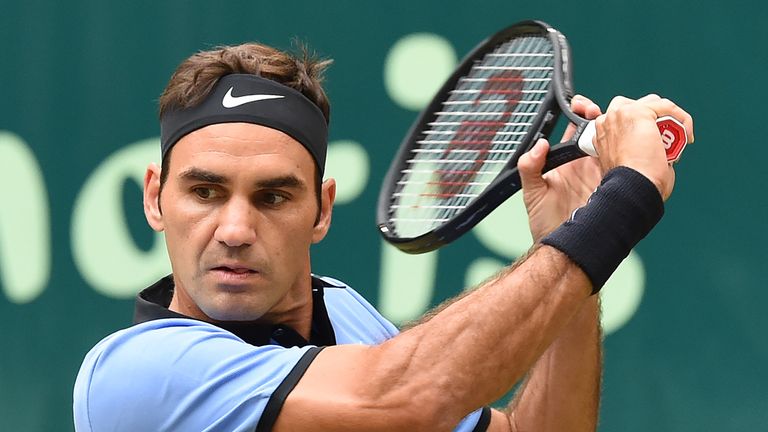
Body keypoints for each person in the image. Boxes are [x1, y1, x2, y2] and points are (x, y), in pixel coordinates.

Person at [73, 42, 694, 432]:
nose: (234, 230)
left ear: (321, 209)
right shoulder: (133, 375)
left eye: (274, 196)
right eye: (204, 192)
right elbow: (406, 397)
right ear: (155, 198)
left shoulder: (341, 314)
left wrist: (570, 232)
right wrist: (624, 202)